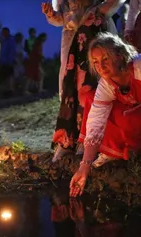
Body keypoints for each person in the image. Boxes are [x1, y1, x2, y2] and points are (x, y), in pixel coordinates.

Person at [70, 33, 141, 197]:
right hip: (131, 112)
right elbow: (95, 122)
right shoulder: (106, 84)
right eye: (95, 62)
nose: (100, 66)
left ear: (120, 55)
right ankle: (115, 150)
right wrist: (84, 167)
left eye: (105, 59)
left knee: (127, 119)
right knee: (93, 102)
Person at [42, 0, 122, 163]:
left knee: (94, 86)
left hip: (96, 33)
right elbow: (61, 17)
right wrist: (51, 15)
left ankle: (92, 139)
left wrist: (100, 11)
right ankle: (69, 139)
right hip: (72, 40)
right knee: (70, 88)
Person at [0, 27, 17, 95]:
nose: (3, 34)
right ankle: (7, 89)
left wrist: (11, 60)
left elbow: (12, 51)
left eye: (4, 32)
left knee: (10, 75)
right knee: (6, 76)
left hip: (9, 61)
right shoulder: (4, 40)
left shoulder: (11, 40)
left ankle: (11, 89)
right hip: (4, 61)